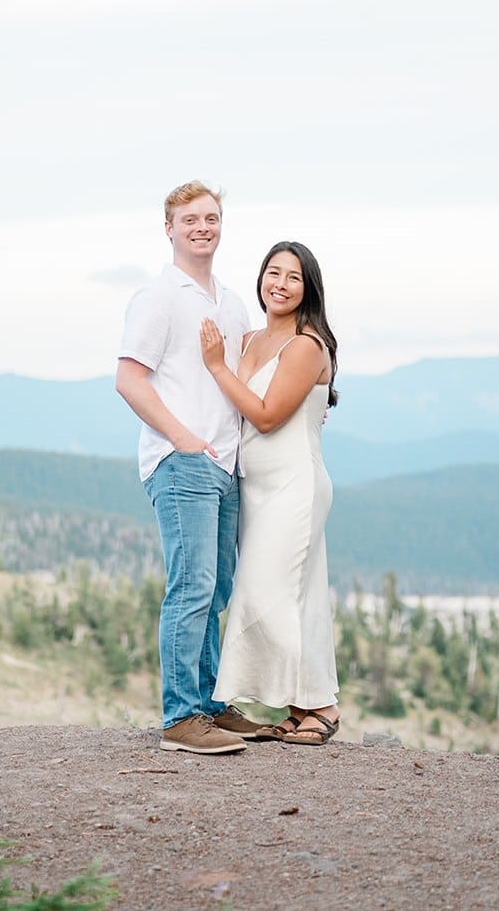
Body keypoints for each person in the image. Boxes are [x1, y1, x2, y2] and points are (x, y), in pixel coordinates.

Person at [116, 181, 271, 754]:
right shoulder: (159, 297)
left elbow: (237, 376)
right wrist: (184, 440)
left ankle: (208, 705)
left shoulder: (229, 302)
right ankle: (180, 718)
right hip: (183, 462)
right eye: (191, 219)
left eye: (212, 217)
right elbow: (129, 378)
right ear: (169, 228)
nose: (203, 227)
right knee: (192, 586)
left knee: (218, 586)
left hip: (227, 464)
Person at [199, 240, 341, 745]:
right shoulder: (250, 338)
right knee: (296, 598)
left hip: (294, 485)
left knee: (268, 592)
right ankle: (303, 706)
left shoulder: (305, 345)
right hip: (254, 487)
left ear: (308, 289)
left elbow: (265, 414)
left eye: (293, 277)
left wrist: (217, 367)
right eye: (272, 273)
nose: (279, 284)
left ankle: (321, 706)